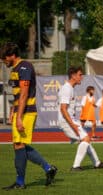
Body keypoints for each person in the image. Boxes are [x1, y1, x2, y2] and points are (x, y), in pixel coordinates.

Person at [1, 43, 57, 190]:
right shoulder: (15, 68)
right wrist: (13, 109)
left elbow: (25, 94)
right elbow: (18, 93)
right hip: (21, 111)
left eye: (4, 58)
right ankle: (48, 168)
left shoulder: (24, 67)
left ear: (12, 55)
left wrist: (19, 116)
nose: (3, 61)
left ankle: (20, 182)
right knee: (18, 145)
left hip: (27, 112)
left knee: (19, 145)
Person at [58, 66, 103, 171]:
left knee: (86, 140)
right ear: (73, 76)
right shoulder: (67, 88)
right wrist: (73, 125)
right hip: (67, 121)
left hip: (69, 120)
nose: (81, 77)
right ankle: (75, 166)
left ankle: (97, 163)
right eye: (80, 74)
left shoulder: (70, 88)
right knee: (86, 139)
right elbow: (63, 109)